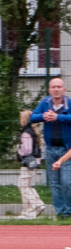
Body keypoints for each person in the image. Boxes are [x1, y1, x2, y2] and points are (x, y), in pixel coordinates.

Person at [30, 77, 71, 216]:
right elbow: (32, 117)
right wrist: (44, 116)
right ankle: (60, 212)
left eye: (59, 87)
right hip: (50, 149)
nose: (56, 89)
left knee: (67, 182)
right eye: (53, 87)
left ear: (64, 89)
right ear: (49, 90)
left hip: (67, 150)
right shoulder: (45, 103)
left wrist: (58, 117)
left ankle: (68, 211)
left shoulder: (69, 103)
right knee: (54, 183)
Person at [16, 109, 48, 219]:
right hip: (34, 163)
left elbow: (26, 150)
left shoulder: (26, 132)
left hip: (27, 163)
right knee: (27, 186)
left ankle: (37, 204)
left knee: (22, 186)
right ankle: (28, 212)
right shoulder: (33, 132)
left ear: (24, 120)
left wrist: (19, 150)